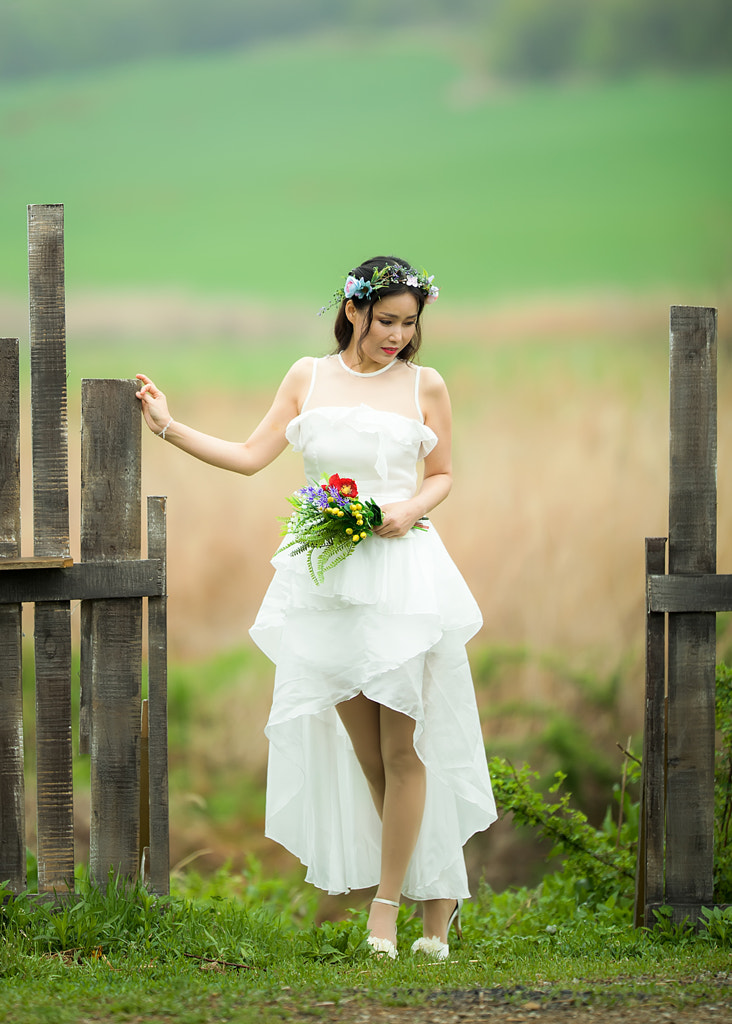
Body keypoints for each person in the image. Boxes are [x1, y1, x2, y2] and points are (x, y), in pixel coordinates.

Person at [136, 255, 496, 960]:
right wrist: (169, 427)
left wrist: (407, 509)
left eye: (409, 323)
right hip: (327, 581)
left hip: (402, 577)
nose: (397, 335)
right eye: (386, 320)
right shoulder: (307, 376)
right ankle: (440, 902)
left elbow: (444, 473)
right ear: (354, 309)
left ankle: (388, 914)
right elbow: (248, 456)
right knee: (371, 759)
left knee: (405, 748)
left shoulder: (427, 385)